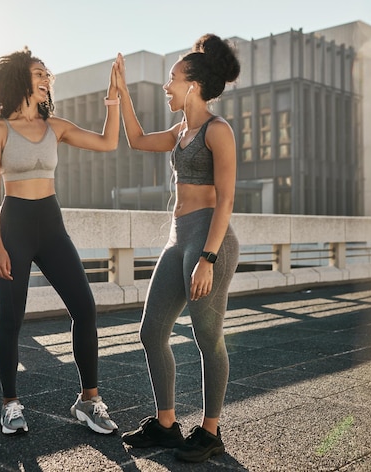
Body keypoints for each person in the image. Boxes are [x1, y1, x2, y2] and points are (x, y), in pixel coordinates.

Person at [115, 34, 241, 463]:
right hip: (178, 237)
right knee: (152, 331)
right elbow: (135, 140)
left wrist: (207, 258)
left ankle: (209, 431)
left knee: (207, 337)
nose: (167, 87)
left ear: (193, 85)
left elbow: (225, 199)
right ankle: (167, 425)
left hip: (210, 241)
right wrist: (122, 95)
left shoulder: (217, 130)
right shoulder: (180, 131)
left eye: (172, 79)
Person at [0, 47, 120, 436]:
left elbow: (108, 143)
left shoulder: (55, 126)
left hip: (51, 223)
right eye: (40, 73)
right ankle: (10, 404)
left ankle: (88, 400)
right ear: (18, 79)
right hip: (15, 226)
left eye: (48, 75)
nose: (47, 80)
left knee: (85, 309)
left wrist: (113, 97)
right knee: (11, 320)